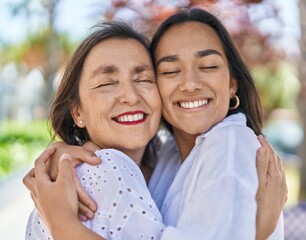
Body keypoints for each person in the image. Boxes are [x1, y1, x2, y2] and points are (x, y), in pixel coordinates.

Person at [24, 8, 287, 240]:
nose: (190, 84)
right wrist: (65, 151)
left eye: (143, 79)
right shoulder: (166, 155)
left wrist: (62, 224)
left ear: (232, 83)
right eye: (170, 71)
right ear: (76, 112)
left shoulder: (228, 147)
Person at [25, 21, 165, 239]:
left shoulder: (162, 161)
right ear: (77, 112)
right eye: (106, 83)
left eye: (144, 79)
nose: (131, 96)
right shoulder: (110, 168)